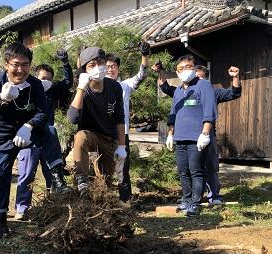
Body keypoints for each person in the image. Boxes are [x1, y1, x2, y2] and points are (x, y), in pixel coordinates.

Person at [0, 42, 71, 240]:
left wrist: (28, 126)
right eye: (15, 64)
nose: (20, 70)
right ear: (6, 64)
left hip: (27, 132)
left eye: (25, 65)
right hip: (1, 137)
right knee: (2, 179)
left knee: (48, 130)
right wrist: (2, 99)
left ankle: (57, 178)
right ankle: (1, 224)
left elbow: (42, 112)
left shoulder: (35, 84)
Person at [152, 62, 241, 205]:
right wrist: (160, 71)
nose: (196, 79)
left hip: (206, 135)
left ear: (205, 79)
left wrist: (235, 77)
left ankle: (214, 196)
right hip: (185, 137)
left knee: (209, 167)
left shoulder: (211, 90)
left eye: (200, 77)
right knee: (188, 169)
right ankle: (190, 198)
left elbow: (234, 93)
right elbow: (165, 87)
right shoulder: (181, 91)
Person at [14, 49, 73, 220]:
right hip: (30, 138)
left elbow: (68, 82)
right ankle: (22, 208)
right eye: (42, 78)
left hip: (48, 138)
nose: (45, 81)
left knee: (52, 174)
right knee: (26, 174)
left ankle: (54, 205)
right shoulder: (27, 90)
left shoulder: (53, 92)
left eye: (48, 78)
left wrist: (65, 64)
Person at [67, 47, 126, 197]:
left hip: (109, 138)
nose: (97, 68)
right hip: (91, 135)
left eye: (100, 63)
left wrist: (121, 146)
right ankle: (82, 180)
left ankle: (99, 203)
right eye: (91, 65)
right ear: (85, 70)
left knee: (105, 182)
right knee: (80, 137)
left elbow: (120, 117)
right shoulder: (83, 90)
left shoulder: (114, 87)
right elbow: (73, 118)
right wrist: (80, 88)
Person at [166, 54, 217, 217]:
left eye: (188, 67)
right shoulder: (178, 91)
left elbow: (209, 110)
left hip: (197, 138)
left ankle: (195, 203)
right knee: (183, 171)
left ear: (195, 68)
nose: (184, 71)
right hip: (180, 137)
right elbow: (173, 113)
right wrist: (170, 134)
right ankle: (186, 200)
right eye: (180, 69)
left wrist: (205, 133)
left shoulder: (204, 85)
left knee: (196, 170)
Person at [105, 41, 150, 201]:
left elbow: (141, 75)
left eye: (114, 66)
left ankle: (125, 202)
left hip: (121, 135)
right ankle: (103, 202)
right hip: (101, 134)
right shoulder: (96, 86)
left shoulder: (124, 86)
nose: (110, 69)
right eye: (107, 66)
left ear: (118, 69)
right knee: (102, 169)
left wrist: (144, 56)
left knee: (122, 170)